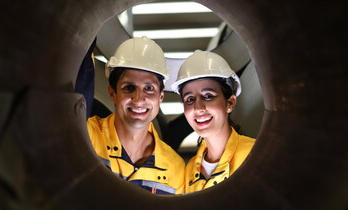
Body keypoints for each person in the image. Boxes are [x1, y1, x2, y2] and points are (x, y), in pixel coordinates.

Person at [87, 37, 185, 195]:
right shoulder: (86, 136)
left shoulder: (176, 168)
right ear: (113, 93)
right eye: (128, 87)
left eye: (149, 88)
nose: (138, 98)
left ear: (160, 97)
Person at [171, 50, 255, 193]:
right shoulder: (188, 171)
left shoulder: (255, 154)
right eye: (190, 99)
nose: (198, 108)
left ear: (230, 103)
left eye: (208, 96)